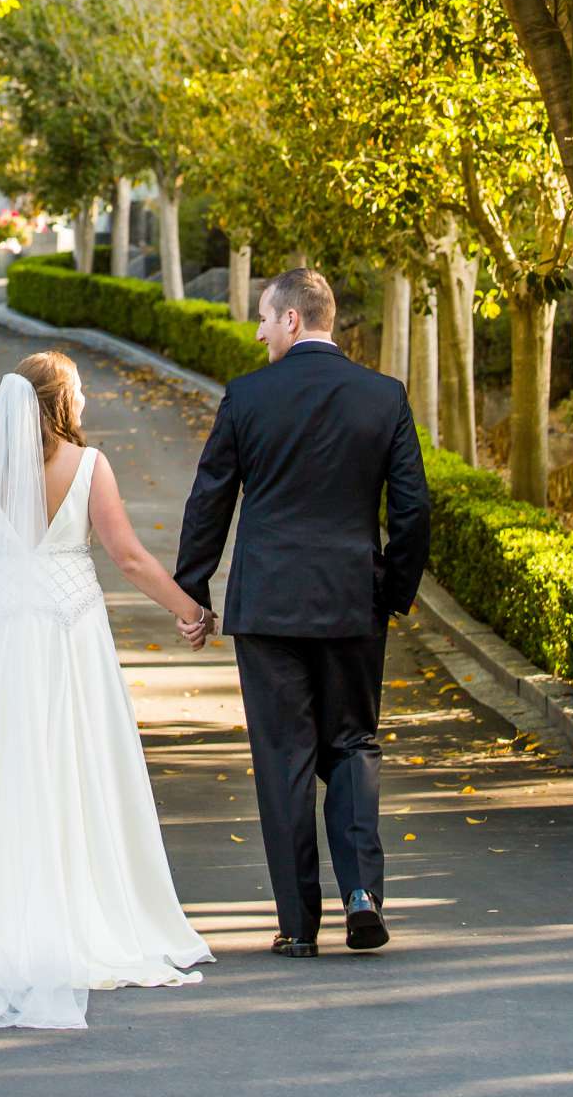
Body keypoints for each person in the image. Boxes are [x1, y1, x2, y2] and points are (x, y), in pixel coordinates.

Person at [0, 350, 212, 1030]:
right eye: (80, 392)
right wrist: (189, 610)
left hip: (2, 635)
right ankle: (84, 911)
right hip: (68, 634)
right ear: (61, 401)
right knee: (75, 766)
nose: (86, 401)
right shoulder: (89, 467)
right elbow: (127, 558)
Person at [174, 267, 431, 958]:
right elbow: (413, 509)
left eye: (264, 317)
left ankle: (297, 924)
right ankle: (362, 895)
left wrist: (192, 589)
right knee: (351, 743)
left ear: (292, 319)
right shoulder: (383, 397)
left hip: (267, 608)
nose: (258, 330)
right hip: (352, 603)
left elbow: (210, 499)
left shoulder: (249, 396)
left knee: (283, 756)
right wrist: (392, 593)